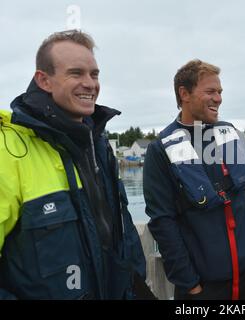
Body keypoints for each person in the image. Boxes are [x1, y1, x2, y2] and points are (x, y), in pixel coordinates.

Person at [0, 30, 153, 299]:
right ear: (44, 80)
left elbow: (120, 232)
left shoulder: (97, 144)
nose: (90, 84)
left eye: (94, 74)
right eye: (76, 73)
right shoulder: (10, 151)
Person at [143, 59, 245, 300]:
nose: (218, 98)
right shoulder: (161, 150)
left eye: (220, 92)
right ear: (184, 93)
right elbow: (163, 222)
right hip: (202, 289)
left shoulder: (231, 136)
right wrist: (191, 285)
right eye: (210, 92)